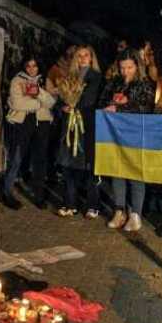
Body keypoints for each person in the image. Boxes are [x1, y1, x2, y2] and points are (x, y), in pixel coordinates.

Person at [99, 49, 155, 232]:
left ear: (137, 66)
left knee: (135, 174)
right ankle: (119, 210)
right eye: (122, 68)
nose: (126, 72)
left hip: (135, 135)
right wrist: (109, 105)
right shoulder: (114, 83)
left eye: (129, 67)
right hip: (114, 135)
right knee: (117, 172)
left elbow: (145, 107)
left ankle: (136, 214)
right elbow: (102, 101)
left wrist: (121, 108)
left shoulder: (144, 84)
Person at [49, 45, 103, 218]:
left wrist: (74, 105)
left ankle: (92, 205)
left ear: (92, 57)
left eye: (86, 55)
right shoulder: (70, 77)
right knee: (68, 164)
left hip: (86, 125)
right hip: (69, 125)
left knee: (89, 165)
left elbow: (90, 99)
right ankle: (69, 202)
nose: (82, 58)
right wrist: (63, 107)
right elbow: (60, 98)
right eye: (79, 56)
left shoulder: (96, 77)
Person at [1, 55, 55, 209]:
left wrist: (39, 93)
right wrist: (39, 103)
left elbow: (51, 102)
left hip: (42, 123)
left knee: (40, 160)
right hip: (22, 124)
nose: (32, 69)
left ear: (39, 67)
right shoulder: (17, 81)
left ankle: (39, 195)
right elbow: (17, 103)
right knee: (16, 158)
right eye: (29, 66)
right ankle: (7, 192)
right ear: (24, 67)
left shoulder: (45, 81)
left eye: (35, 66)